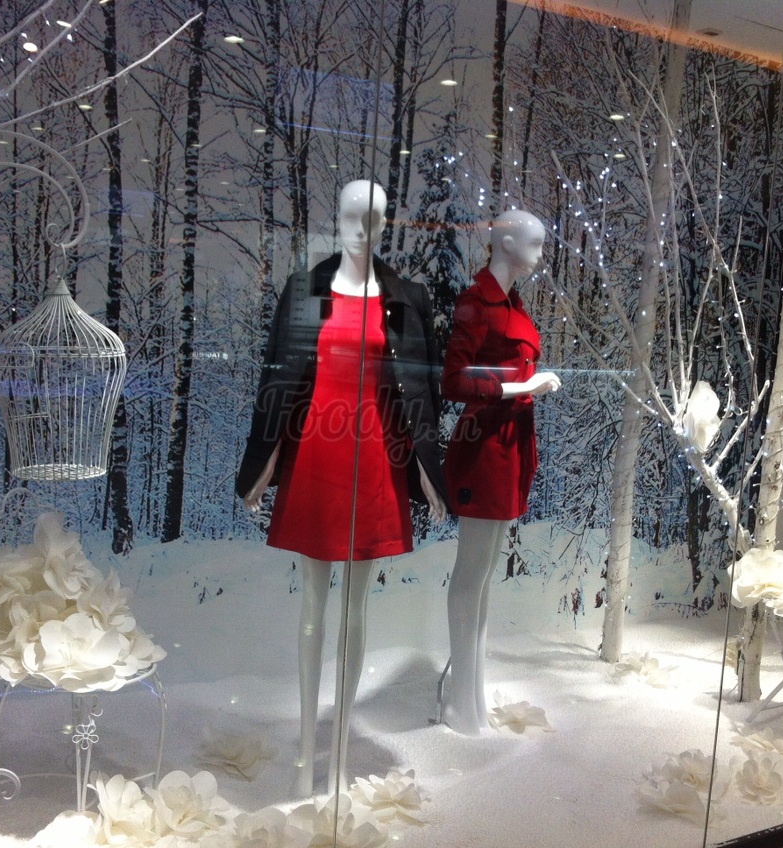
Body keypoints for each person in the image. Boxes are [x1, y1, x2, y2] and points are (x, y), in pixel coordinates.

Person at [237, 180, 446, 794]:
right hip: (316, 454)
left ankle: (340, 755)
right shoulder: (307, 290)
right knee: (312, 606)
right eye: (352, 216)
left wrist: (428, 467)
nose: (361, 229)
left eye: (373, 218)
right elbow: (279, 377)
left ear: (384, 224)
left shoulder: (405, 298)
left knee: (356, 610)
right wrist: (264, 461)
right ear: (337, 217)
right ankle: (307, 756)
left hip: (375, 456)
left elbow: (422, 390)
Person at [440, 209, 561, 735]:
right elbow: (453, 380)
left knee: (485, 577)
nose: (541, 252)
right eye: (535, 242)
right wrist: (520, 388)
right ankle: (460, 705)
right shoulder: (477, 302)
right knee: (471, 575)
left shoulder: (512, 304)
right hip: (483, 446)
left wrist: (523, 390)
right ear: (507, 242)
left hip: (509, 445)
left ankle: (472, 696)